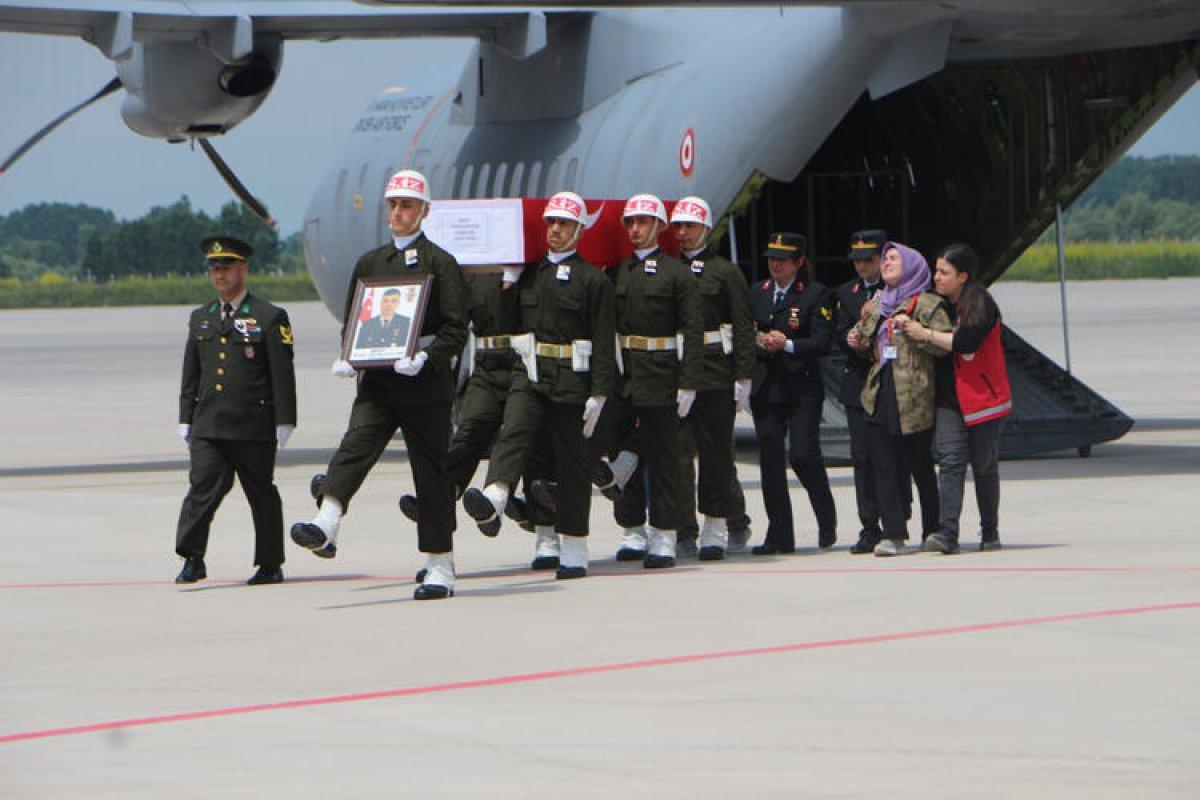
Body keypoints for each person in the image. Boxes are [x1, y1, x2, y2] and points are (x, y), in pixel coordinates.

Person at [290, 169, 469, 600]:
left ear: (424, 211)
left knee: (431, 472)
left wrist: (427, 357)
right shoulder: (371, 264)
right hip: (379, 384)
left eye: (407, 205)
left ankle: (440, 563)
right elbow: (356, 318)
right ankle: (327, 520)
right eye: (393, 205)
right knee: (355, 447)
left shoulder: (441, 263)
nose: (398, 213)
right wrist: (349, 356)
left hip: (424, 386)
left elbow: (455, 327)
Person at [503, 191, 617, 578]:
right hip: (535, 377)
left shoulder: (592, 279)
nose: (555, 230)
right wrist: (507, 282)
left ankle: (574, 544)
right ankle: (544, 538)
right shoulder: (530, 273)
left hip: (574, 381)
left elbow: (604, 339)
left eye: (564, 224)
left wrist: (600, 392)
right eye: (551, 223)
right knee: (535, 456)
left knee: (573, 463)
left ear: (579, 229)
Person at [175, 235, 296, 586]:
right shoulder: (201, 318)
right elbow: (191, 374)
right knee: (201, 490)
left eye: (226, 267)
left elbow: (282, 373)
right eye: (214, 268)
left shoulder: (269, 317)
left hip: (253, 425)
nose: (220, 275)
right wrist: (185, 417)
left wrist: (285, 419)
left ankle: (270, 564)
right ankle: (192, 557)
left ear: (243, 269)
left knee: (261, 494)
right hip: (209, 424)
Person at [598, 193, 704, 569]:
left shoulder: (677, 274)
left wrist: (689, 382)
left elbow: (693, 331)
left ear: (660, 226)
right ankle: (631, 529)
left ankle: (663, 535)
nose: (635, 229)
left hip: (662, 373)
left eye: (643, 222)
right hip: (625, 373)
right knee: (617, 448)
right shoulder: (617, 272)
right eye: (630, 222)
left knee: (663, 458)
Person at [902, 243, 1011, 554]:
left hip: (983, 398)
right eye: (936, 271)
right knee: (950, 462)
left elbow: (965, 343)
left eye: (944, 272)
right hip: (950, 399)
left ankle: (990, 532)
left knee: (984, 466)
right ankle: (947, 533)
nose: (937, 277)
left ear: (963, 276)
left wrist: (925, 335)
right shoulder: (935, 305)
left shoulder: (981, 303)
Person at [666, 196, 755, 560]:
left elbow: (743, 326)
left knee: (717, 453)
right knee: (679, 454)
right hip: (676, 369)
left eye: (690, 226)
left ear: (706, 228)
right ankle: (685, 528)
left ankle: (716, 523)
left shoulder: (725, 272)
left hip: (715, 369)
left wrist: (744, 375)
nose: (683, 233)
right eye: (678, 227)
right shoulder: (669, 269)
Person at [849, 241, 951, 556]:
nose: (887, 262)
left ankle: (933, 529)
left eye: (894, 258)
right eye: (886, 258)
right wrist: (857, 335)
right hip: (881, 390)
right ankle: (893, 533)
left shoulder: (928, 303)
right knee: (883, 464)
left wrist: (917, 330)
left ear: (911, 264)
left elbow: (943, 346)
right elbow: (864, 339)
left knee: (919, 463)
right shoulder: (881, 300)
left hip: (914, 394)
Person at [747, 232, 837, 554]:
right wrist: (761, 343)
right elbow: (747, 333)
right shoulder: (757, 292)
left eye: (783, 260)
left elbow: (823, 342)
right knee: (770, 461)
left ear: (798, 262)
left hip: (802, 386)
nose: (776, 264)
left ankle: (826, 517)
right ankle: (779, 534)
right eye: (772, 258)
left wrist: (786, 344)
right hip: (767, 386)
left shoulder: (815, 294)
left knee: (802, 454)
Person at [835, 229, 891, 554]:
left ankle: (896, 518)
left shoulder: (896, 289)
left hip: (888, 379)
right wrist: (851, 340)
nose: (861, 266)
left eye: (867, 260)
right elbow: (839, 330)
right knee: (862, 456)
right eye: (856, 260)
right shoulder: (847, 291)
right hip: (858, 379)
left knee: (892, 455)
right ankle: (869, 525)